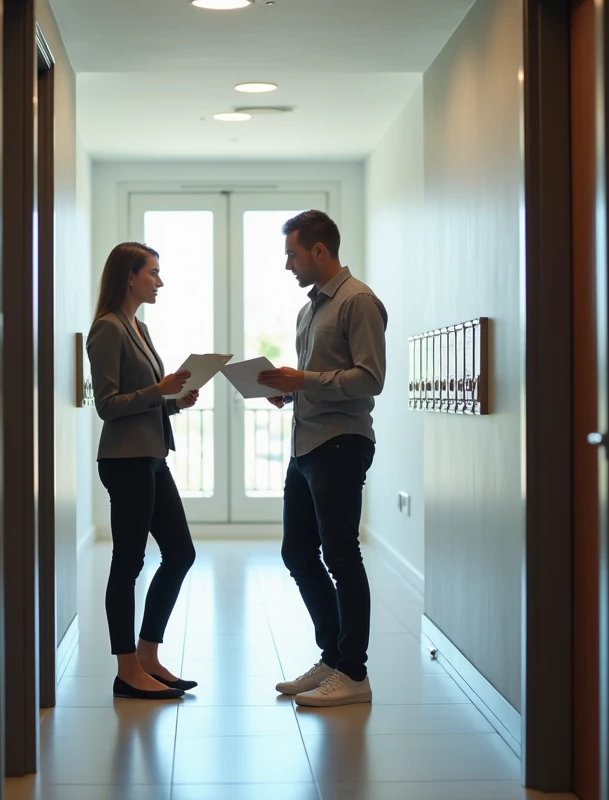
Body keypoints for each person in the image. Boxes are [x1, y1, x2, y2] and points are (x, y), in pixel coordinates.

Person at [258, 210, 388, 708]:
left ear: (319, 250)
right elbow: (321, 376)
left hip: (340, 443)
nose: (288, 264)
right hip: (306, 443)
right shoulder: (308, 311)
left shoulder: (359, 301)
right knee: (297, 552)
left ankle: (354, 673)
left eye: (292, 254)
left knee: (341, 555)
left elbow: (370, 378)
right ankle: (333, 657)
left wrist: (304, 381)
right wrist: (287, 392)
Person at [87, 242, 201, 701]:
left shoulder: (140, 327)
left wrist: (173, 400)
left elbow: (148, 397)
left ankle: (148, 655)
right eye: (153, 272)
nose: (159, 280)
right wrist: (159, 390)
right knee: (129, 563)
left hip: (152, 455)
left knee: (180, 553)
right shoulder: (107, 329)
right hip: (125, 461)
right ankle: (126, 669)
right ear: (129, 276)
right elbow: (107, 406)